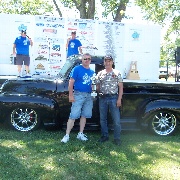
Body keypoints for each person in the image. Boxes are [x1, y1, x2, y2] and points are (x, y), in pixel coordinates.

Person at [61, 53, 94, 143]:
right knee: (73, 115)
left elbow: (92, 84)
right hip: (78, 94)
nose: (87, 60)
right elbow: (71, 82)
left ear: (90, 60)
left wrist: (94, 88)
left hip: (89, 95)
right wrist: (71, 95)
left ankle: (80, 133)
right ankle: (67, 135)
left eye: (89, 59)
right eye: (85, 59)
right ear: (82, 60)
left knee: (84, 115)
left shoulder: (92, 72)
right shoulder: (77, 69)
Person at [96, 55, 123, 145]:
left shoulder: (117, 73)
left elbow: (121, 87)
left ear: (112, 62)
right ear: (104, 62)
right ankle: (105, 136)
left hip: (113, 98)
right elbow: (98, 85)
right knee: (103, 119)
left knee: (116, 120)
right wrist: (99, 92)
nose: (107, 63)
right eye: (106, 61)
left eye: (109, 61)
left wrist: (119, 99)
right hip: (103, 98)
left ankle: (117, 138)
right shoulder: (100, 73)